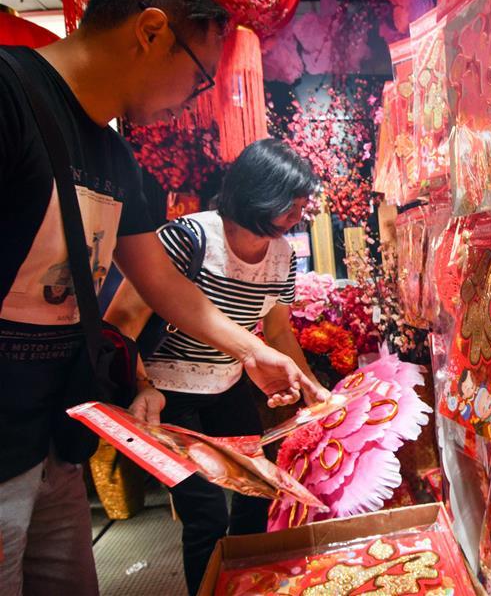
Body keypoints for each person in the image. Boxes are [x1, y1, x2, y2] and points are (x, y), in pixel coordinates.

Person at [0, 0, 311, 595]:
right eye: (200, 77)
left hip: (55, 444)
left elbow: (166, 288)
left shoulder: (119, 160)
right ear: (150, 31)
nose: (197, 100)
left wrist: (255, 354)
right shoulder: (9, 96)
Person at [105, 138, 331, 595]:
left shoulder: (282, 256)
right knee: (204, 511)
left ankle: (250, 585)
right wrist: (142, 387)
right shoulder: (187, 238)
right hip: (168, 393)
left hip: (228, 385)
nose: (299, 215)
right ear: (259, 192)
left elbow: (278, 332)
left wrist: (310, 388)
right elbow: (122, 323)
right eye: (292, 203)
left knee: (258, 489)